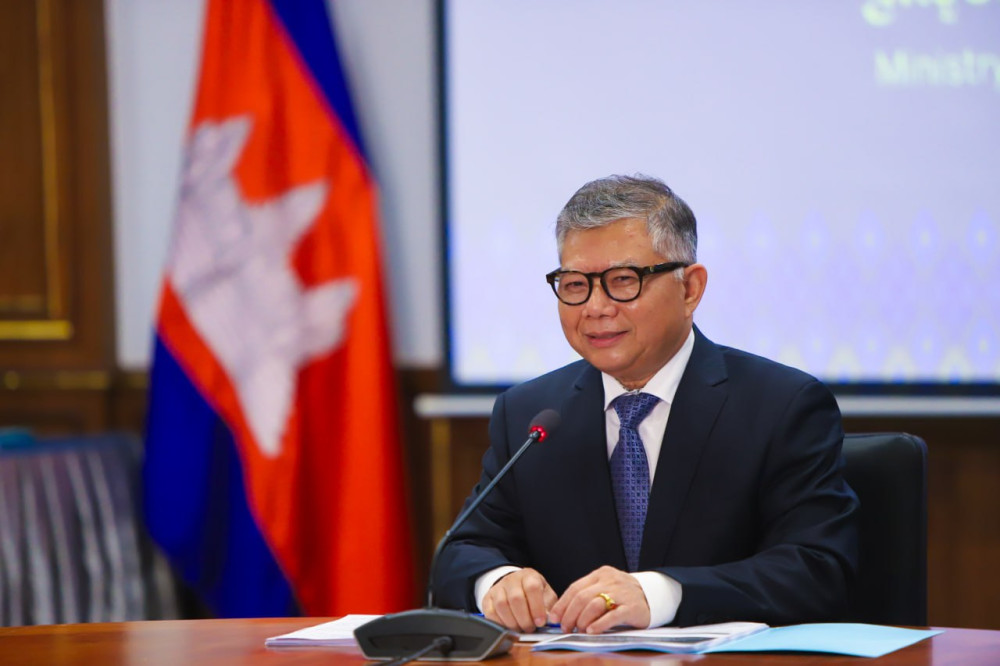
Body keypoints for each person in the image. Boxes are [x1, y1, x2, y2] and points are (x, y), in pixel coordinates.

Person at [433, 174, 859, 635]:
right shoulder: (530, 414)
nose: (595, 307)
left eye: (623, 280)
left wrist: (659, 593)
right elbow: (461, 551)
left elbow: (818, 567)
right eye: (574, 285)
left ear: (690, 289)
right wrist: (499, 582)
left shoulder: (780, 406)